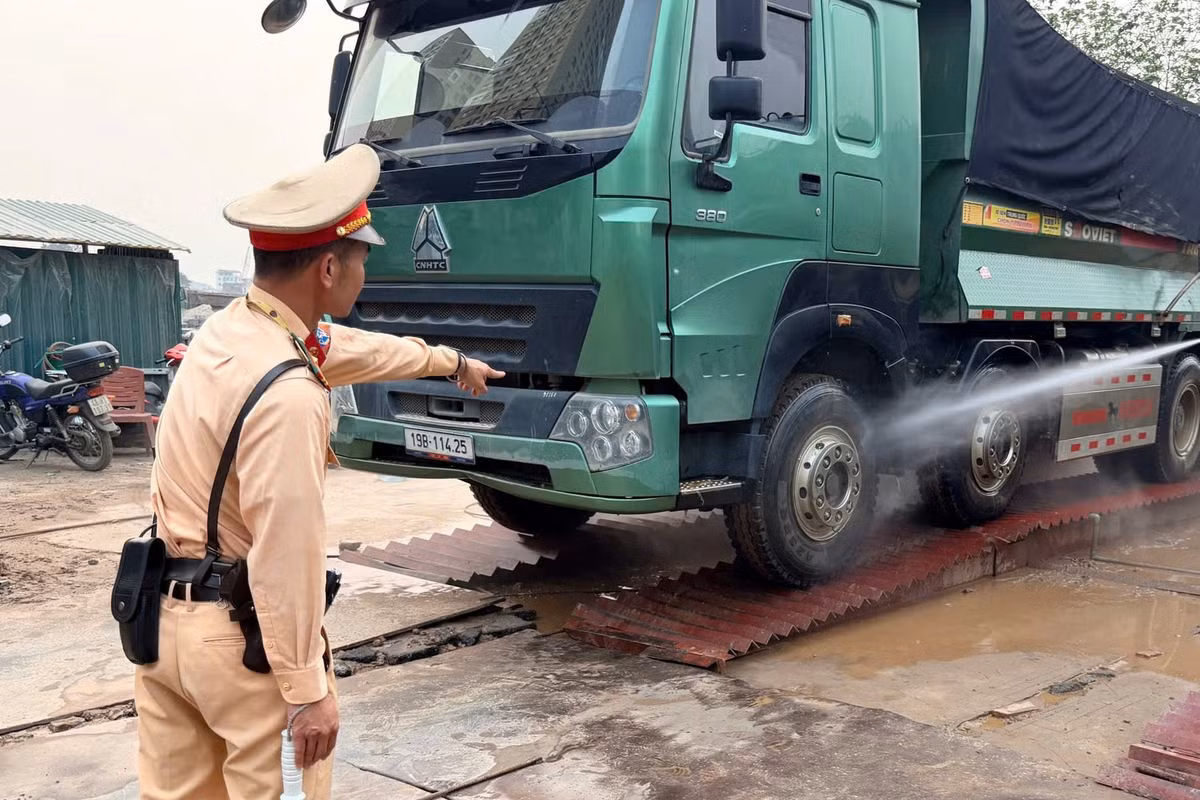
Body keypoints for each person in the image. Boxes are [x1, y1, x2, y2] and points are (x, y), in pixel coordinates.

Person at [135, 142, 504, 799]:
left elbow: (352, 348)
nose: (365, 272)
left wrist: (449, 361)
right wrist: (307, 689)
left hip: (162, 628)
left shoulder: (228, 331)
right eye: (363, 258)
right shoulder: (290, 394)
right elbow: (286, 549)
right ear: (330, 268)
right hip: (239, 648)